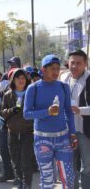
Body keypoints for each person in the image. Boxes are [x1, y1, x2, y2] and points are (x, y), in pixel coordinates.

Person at [24, 54, 77, 189]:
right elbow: (26, 114)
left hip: (63, 138)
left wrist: (72, 133)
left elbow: (69, 112)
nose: (56, 72)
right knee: (47, 180)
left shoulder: (63, 86)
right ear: (43, 70)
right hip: (42, 139)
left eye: (58, 68)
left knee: (68, 179)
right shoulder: (33, 88)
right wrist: (46, 112)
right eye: (52, 68)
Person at [60, 49, 90, 188]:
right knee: (70, 165)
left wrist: (80, 110)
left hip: (85, 131)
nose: (74, 66)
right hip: (67, 130)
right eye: (72, 62)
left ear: (85, 64)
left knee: (87, 167)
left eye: (79, 63)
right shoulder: (63, 79)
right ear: (68, 63)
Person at [0, 69, 34, 189]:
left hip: (28, 132)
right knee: (15, 159)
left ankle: (27, 184)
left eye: (23, 78)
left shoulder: (31, 93)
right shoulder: (8, 95)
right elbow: (2, 112)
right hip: (12, 132)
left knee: (26, 160)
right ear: (13, 80)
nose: (21, 80)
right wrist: (11, 110)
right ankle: (20, 181)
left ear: (26, 80)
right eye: (18, 78)